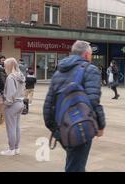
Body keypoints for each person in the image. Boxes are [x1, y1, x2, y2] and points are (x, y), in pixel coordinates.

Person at [43, 40, 105, 172]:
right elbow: (93, 101)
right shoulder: (90, 69)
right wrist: (101, 125)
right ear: (87, 55)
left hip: (62, 127)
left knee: (75, 161)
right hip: (81, 125)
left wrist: (54, 128)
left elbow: (49, 102)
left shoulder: (59, 71)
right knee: (75, 166)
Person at [0, 58, 25, 156]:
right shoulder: (21, 75)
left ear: (9, 66)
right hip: (20, 103)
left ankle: (11, 149)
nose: (4, 67)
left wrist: (6, 104)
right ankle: (17, 148)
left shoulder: (10, 77)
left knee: (11, 128)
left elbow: (10, 94)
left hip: (12, 104)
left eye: (5, 65)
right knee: (17, 127)